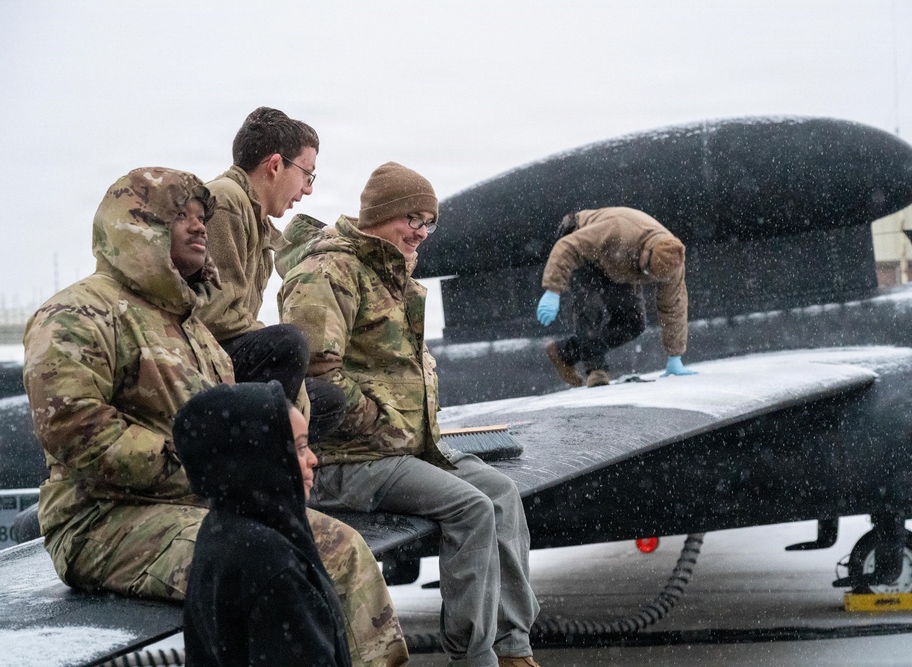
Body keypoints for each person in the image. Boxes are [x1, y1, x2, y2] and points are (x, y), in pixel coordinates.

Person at [23, 167, 408, 667]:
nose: (199, 226)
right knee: (286, 561)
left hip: (201, 505)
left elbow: (233, 414)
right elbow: (76, 434)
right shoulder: (77, 313)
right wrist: (206, 470)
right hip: (105, 519)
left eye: (201, 216)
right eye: (179, 215)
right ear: (137, 226)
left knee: (341, 549)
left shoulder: (190, 324)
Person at [280, 162, 542, 667]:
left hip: (401, 447)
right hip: (349, 458)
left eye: (429, 222)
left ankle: (514, 649)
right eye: (411, 218)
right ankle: (475, 657)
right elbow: (316, 379)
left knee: (502, 494)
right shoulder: (327, 272)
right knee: (470, 509)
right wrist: (383, 423)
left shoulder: (390, 273)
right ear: (379, 215)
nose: (421, 232)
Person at [176, 381, 352, 667]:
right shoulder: (274, 567)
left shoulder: (221, 529)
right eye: (299, 447)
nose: (313, 459)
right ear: (259, 459)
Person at [195, 106, 344, 442]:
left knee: (331, 402)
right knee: (287, 344)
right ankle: (258, 469)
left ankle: (271, 456)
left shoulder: (256, 220)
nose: (308, 190)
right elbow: (213, 316)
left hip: (223, 362)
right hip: (199, 363)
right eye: (308, 175)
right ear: (276, 165)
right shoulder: (226, 200)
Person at [535, 206, 698, 387]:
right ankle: (596, 370)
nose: (647, 276)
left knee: (633, 322)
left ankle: (564, 353)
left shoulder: (673, 264)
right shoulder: (618, 229)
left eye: (652, 276)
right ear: (646, 250)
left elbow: (673, 306)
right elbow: (567, 247)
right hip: (585, 246)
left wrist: (674, 355)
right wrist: (552, 289)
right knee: (590, 307)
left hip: (619, 263)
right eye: (646, 270)